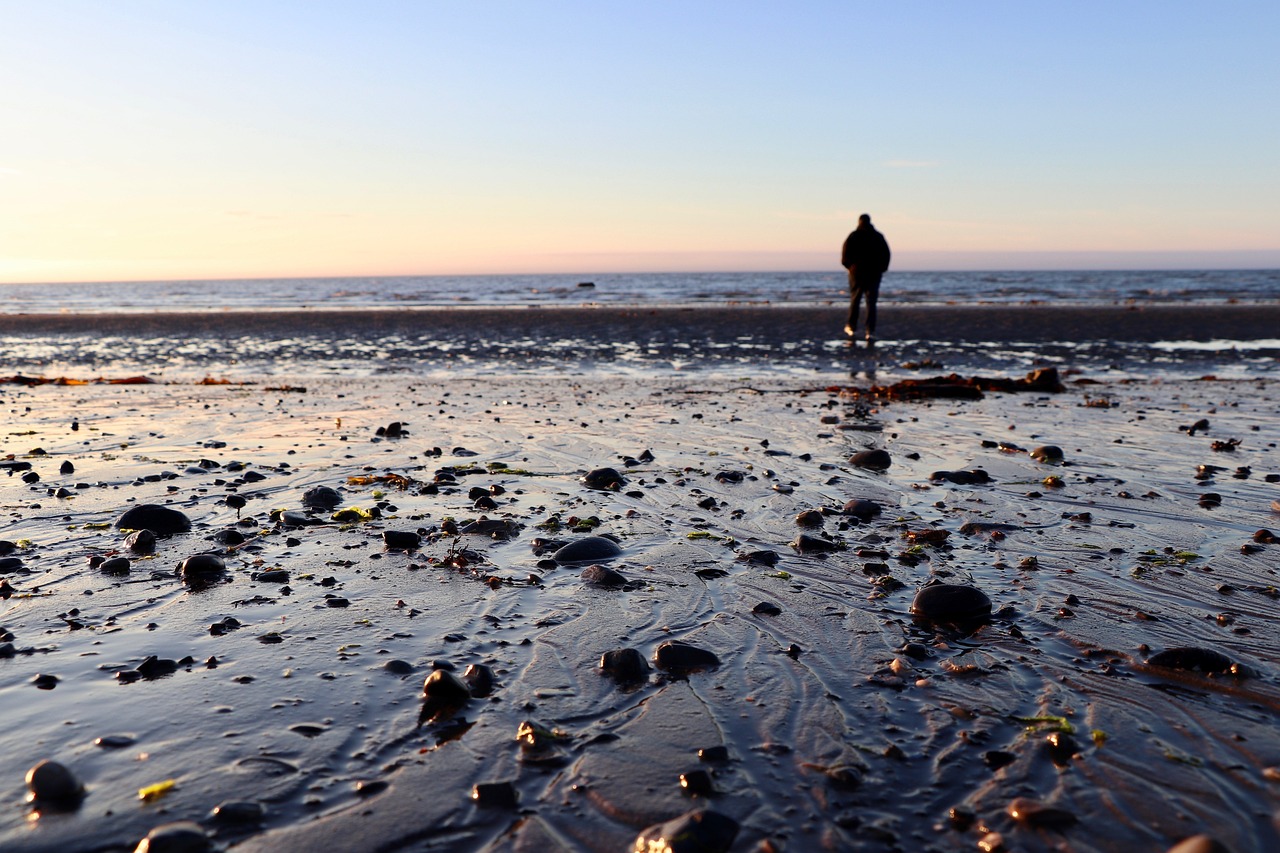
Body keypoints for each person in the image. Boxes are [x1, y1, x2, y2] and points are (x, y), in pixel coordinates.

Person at [840, 214, 891, 345]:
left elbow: (845, 254)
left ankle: (851, 327)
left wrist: (849, 267)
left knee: (855, 300)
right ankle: (870, 331)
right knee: (871, 302)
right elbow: (886, 254)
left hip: (857, 273)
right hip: (873, 273)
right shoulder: (877, 236)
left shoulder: (854, 236)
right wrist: (882, 268)